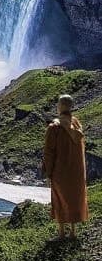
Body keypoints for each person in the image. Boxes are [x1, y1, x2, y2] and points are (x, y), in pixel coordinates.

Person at [42, 94, 89, 238]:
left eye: (58, 104)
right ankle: (73, 232)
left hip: (60, 170)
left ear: (61, 106)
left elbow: (49, 152)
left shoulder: (54, 127)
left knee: (60, 199)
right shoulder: (76, 124)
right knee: (74, 198)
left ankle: (62, 233)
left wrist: (47, 172)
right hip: (77, 171)